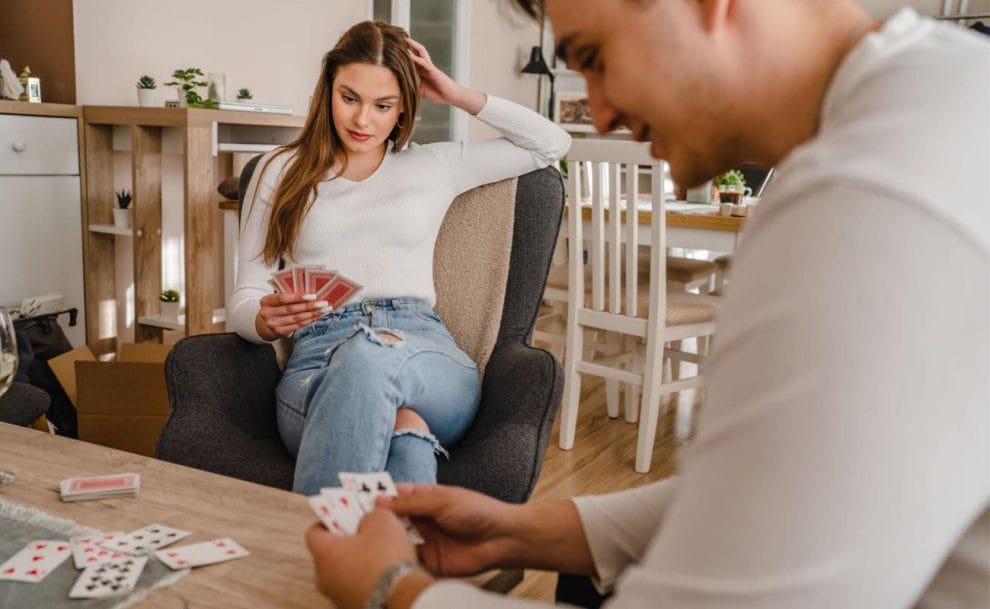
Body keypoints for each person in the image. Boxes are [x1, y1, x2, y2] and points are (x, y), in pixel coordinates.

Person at [303, 1, 989, 608]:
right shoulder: (936, 102)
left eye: (595, 58)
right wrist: (522, 529)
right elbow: (787, 495)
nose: (599, 111)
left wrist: (395, 589)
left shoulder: (872, 195)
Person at [229, 20, 571, 495]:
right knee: (406, 433)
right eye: (349, 98)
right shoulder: (280, 170)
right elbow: (245, 298)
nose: (362, 120)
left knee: (370, 356)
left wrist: (455, 93)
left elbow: (553, 143)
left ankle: (313, 551)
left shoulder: (435, 166)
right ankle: (405, 563)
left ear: (404, 107)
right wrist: (265, 321)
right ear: (327, 88)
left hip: (424, 357)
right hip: (316, 365)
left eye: (383, 105)